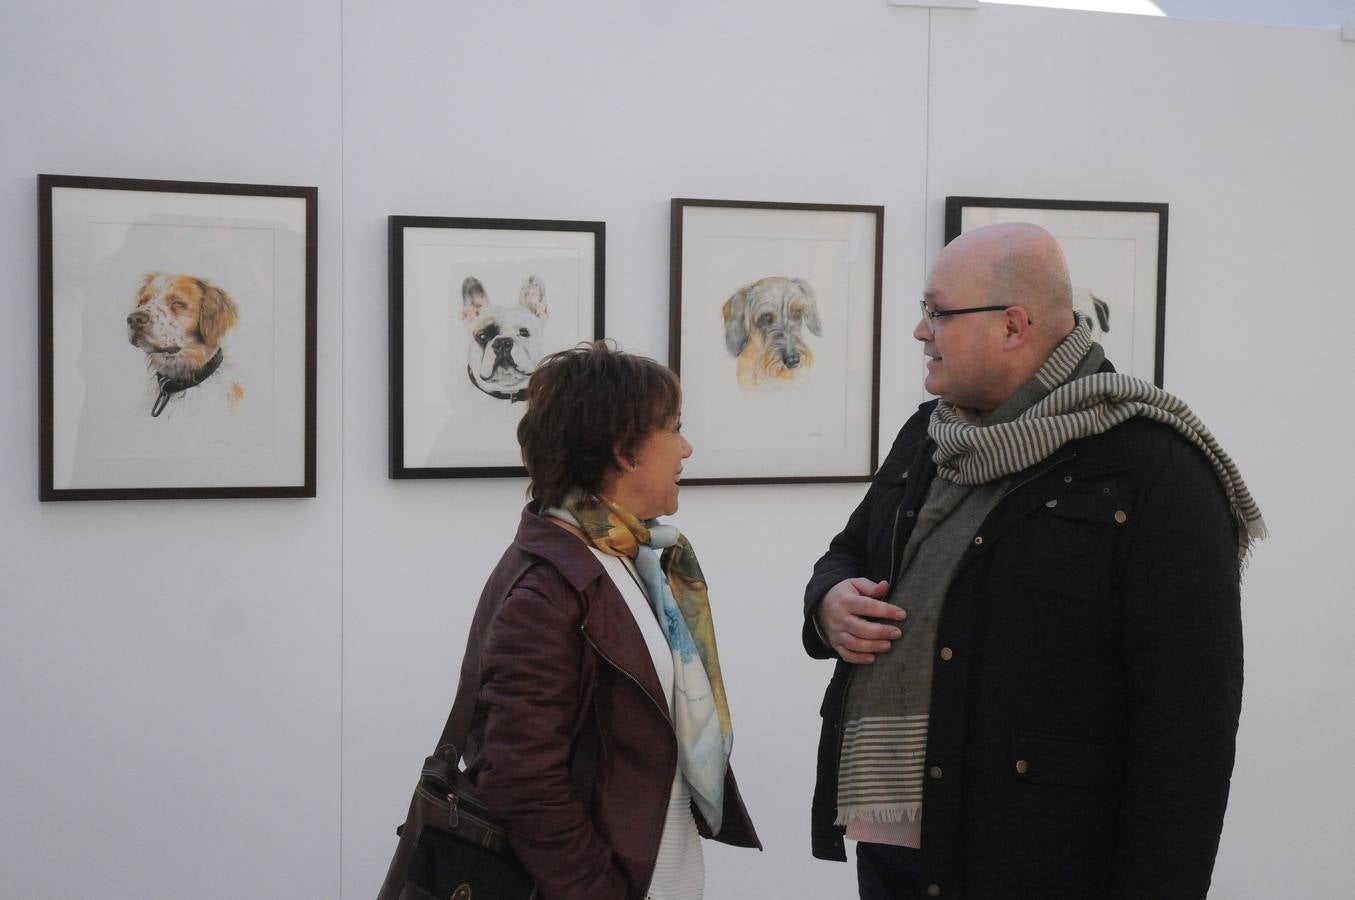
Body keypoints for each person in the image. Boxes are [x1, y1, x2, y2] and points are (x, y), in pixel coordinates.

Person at [802, 223, 1265, 899]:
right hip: (901, 851)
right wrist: (829, 600)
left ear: (1012, 325)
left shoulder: (1153, 468)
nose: (918, 331)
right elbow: (850, 550)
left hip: (1043, 861)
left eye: (935, 312)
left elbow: (1187, 730)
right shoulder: (928, 436)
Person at [460, 341, 760, 900]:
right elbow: (522, 779)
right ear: (625, 449)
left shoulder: (628, 555)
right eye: (674, 427)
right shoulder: (549, 586)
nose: (687, 447)